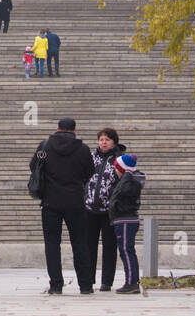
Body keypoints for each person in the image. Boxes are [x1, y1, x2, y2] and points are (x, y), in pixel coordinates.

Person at [30, 118, 95, 294]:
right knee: (80, 243)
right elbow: (90, 172)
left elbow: (33, 167)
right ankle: (86, 285)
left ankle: (56, 285)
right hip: (75, 202)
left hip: (50, 202)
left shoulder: (45, 146)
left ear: (57, 128)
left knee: (52, 244)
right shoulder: (83, 149)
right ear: (75, 130)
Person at [84, 127, 127, 290]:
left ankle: (107, 281)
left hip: (110, 211)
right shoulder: (91, 157)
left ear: (114, 142)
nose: (103, 142)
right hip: (90, 208)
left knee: (109, 246)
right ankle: (88, 278)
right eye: (101, 139)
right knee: (89, 245)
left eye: (107, 140)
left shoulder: (120, 159)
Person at [108, 152, 146, 293]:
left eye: (117, 168)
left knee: (126, 251)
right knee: (129, 251)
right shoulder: (129, 180)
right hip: (124, 219)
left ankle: (131, 283)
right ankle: (132, 281)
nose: (115, 170)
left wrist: (127, 174)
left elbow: (121, 193)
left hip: (125, 219)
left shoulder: (129, 181)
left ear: (123, 169)